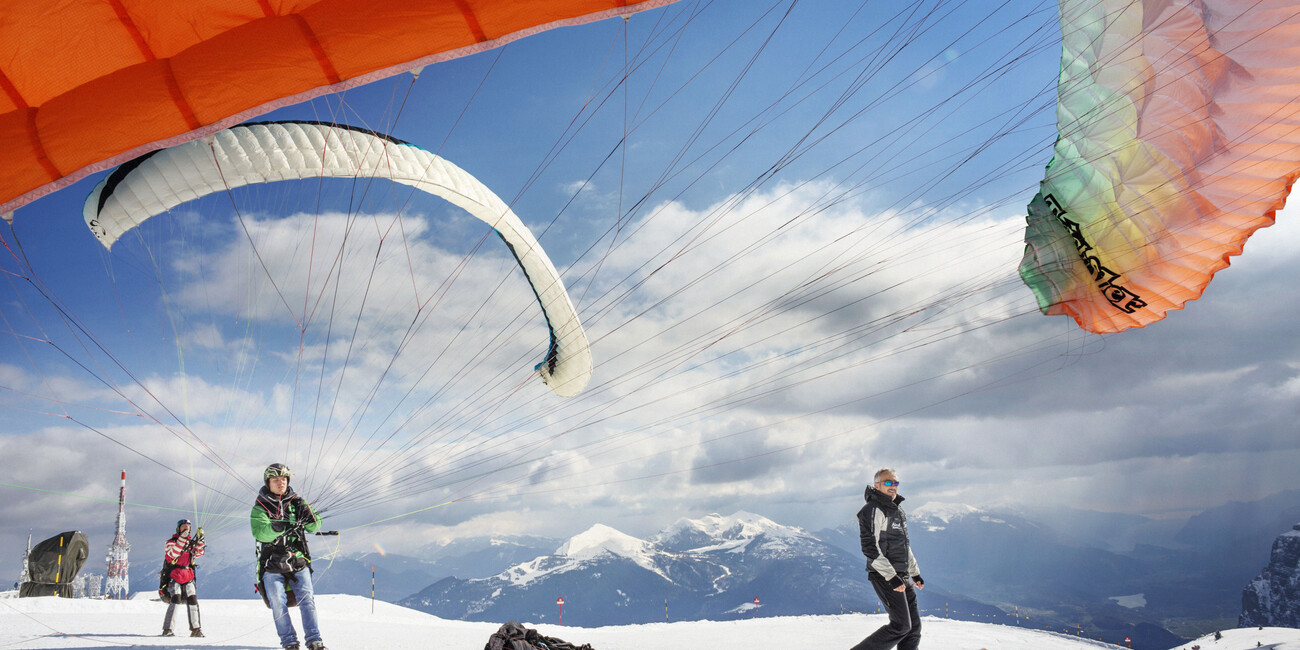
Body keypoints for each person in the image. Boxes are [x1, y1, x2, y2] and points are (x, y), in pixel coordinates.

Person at [251, 463, 327, 650]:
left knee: (307, 599)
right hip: (272, 564)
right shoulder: (260, 508)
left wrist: (309, 514)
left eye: (284, 479)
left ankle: (314, 640)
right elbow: (260, 533)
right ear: (268, 482)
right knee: (277, 602)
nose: (281, 483)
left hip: (297, 561)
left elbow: (315, 526)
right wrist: (277, 527)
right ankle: (289, 643)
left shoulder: (297, 503)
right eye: (276, 479)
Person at [852, 468, 924, 650]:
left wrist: (915, 573)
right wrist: (891, 577)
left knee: (914, 628)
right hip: (885, 576)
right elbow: (870, 547)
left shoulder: (897, 510)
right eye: (888, 482)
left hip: (903, 575)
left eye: (896, 483)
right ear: (877, 485)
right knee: (901, 626)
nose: (893, 486)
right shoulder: (872, 509)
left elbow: (903, 546)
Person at [161, 519, 205, 637]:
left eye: (188, 527)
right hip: (174, 575)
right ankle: (168, 629)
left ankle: (196, 629)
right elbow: (172, 555)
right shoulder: (171, 542)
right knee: (176, 598)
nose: (186, 529)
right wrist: (182, 539)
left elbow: (199, 553)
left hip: (187, 574)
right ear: (178, 529)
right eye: (183, 527)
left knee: (193, 600)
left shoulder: (190, 543)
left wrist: (200, 540)